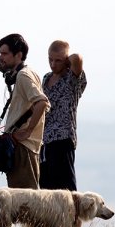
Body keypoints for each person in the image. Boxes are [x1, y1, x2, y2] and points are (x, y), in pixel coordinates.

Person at [0, 33, 48, 189]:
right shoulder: (28, 73)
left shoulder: (23, 76)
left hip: (23, 148)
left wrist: (27, 131)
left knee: (24, 202)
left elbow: (42, 102)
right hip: (24, 147)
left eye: (4, 53)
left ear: (18, 55)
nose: (1, 58)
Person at [39, 40, 87, 191]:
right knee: (47, 190)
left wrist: (68, 62)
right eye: (50, 59)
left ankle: (73, 215)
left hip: (63, 139)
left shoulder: (72, 79)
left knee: (67, 190)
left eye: (58, 60)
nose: (53, 64)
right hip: (45, 141)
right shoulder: (46, 78)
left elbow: (77, 58)